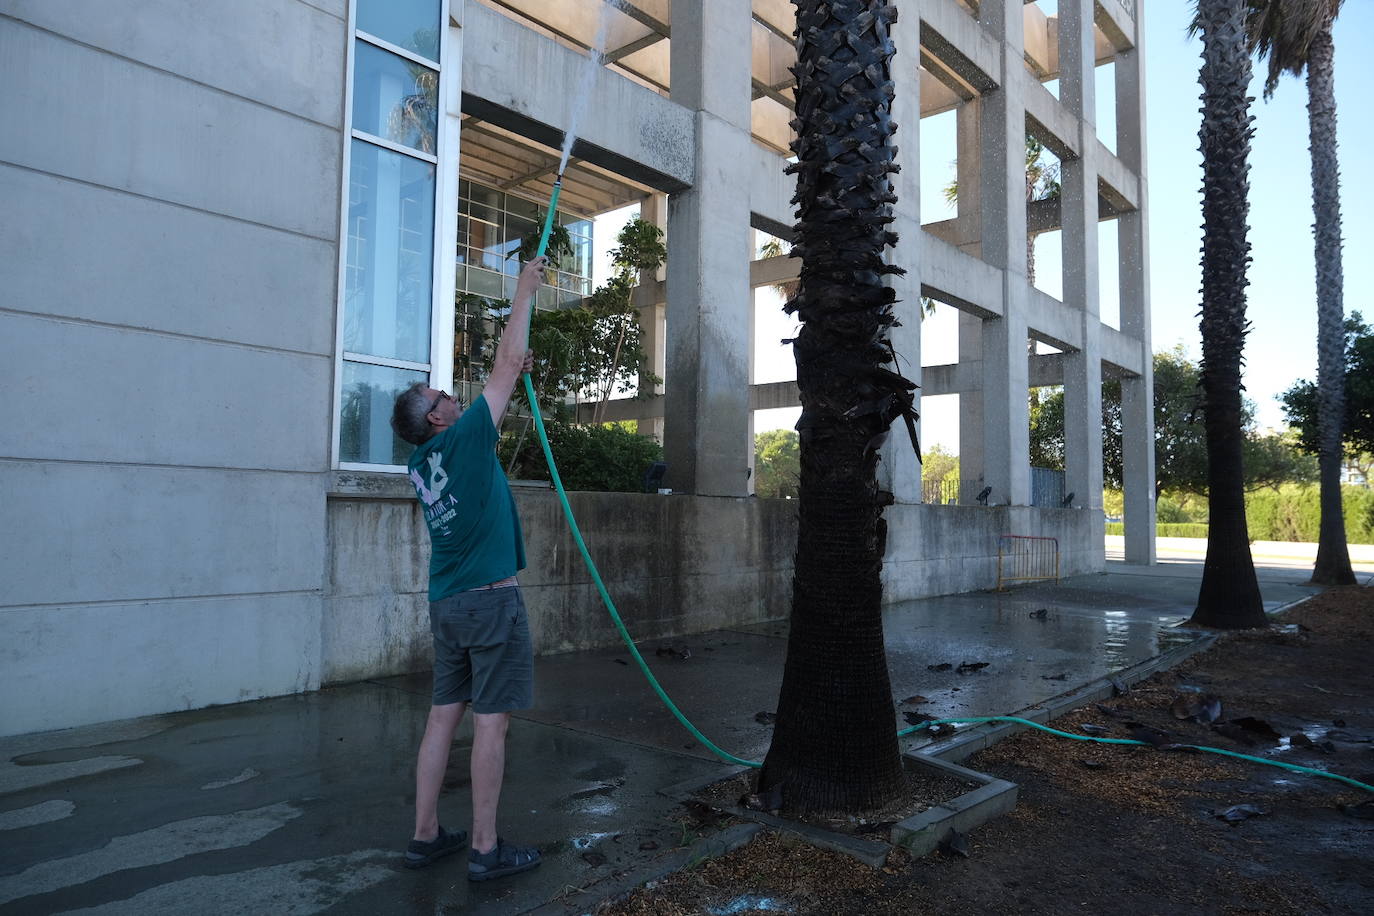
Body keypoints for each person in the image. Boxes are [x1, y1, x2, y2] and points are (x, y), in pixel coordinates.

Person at [389, 255, 549, 880]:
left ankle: (426, 835)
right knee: (490, 726)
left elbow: (506, 377)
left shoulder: (425, 462)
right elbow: (506, 364)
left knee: (440, 719)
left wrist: (510, 376)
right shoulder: (462, 438)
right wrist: (523, 292)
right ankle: (484, 848)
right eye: (442, 395)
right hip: (488, 603)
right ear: (436, 419)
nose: (453, 395)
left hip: (448, 604)